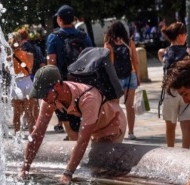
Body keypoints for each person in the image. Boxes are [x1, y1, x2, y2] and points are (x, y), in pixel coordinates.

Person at [19, 66, 126, 185]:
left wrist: (67, 173)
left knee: (103, 167)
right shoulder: (50, 99)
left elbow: (83, 140)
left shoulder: (88, 98)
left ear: (57, 86)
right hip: (95, 127)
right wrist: (25, 168)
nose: (43, 98)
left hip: (111, 126)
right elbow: (37, 134)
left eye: (45, 93)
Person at [46, 5, 94, 139]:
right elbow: (91, 61)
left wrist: (52, 89)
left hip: (64, 87)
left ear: (59, 19)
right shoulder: (84, 37)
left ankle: (76, 154)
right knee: (85, 125)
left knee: (70, 128)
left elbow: (51, 64)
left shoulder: (54, 37)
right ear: (73, 19)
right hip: (83, 86)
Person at [158, 22, 190, 149]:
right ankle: (185, 153)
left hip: (170, 91)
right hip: (187, 92)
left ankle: (170, 151)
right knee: (186, 126)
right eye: (185, 34)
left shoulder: (163, 52)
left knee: (170, 126)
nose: (186, 36)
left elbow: (164, 62)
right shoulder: (189, 52)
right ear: (180, 36)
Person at [104, 20, 140, 140]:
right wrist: (138, 77)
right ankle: (131, 132)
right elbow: (135, 61)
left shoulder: (108, 44)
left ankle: (117, 130)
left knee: (115, 106)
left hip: (116, 78)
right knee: (130, 106)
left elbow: (108, 63)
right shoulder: (129, 42)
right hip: (131, 76)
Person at [9, 30, 36, 135]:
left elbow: (9, 71)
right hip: (28, 83)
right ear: (20, 42)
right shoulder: (29, 55)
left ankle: (17, 136)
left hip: (16, 84)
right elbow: (31, 69)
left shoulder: (9, 58)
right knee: (30, 113)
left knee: (16, 113)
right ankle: (32, 136)